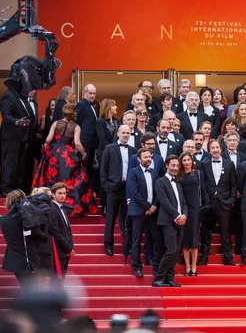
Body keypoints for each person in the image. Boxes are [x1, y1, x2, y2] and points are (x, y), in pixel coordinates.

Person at [33, 103, 96, 216]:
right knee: (68, 178)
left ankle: (49, 202)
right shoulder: (76, 127)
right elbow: (77, 143)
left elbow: (48, 140)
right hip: (67, 154)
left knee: (51, 178)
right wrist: (84, 153)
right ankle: (70, 205)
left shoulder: (56, 123)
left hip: (53, 152)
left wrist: (46, 150)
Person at [100, 125, 136, 256]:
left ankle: (128, 245)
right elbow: (103, 167)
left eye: (128, 133)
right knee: (110, 218)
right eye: (123, 132)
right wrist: (106, 185)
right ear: (118, 134)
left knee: (128, 218)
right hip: (113, 188)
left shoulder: (133, 150)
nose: (126, 135)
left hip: (128, 188)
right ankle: (108, 245)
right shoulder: (109, 148)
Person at [0, 190, 49, 288]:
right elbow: (43, 237)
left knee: (27, 290)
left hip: (15, 262)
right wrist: (44, 221)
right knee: (33, 291)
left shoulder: (3, 220)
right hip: (30, 262)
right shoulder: (27, 220)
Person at [200, 140, 237, 265]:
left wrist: (231, 199)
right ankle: (203, 258)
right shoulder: (203, 164)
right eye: (212, 148)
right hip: (209, 203)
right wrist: (205, 201)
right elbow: (202, 185)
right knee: (206, 232)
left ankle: (228, 258)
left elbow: (233, 184)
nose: (215, 150)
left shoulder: (229, 164)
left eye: (217, 147)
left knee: (225, 233)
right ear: (209, 151)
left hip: (224, 203)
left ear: (221, 149)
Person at [153, 154, 187, 288]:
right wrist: (177, 215)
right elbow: (165, 202)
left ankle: (169, 278)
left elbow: (183, 203)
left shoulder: (178, 185)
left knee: (176, 250)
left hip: (180, 221)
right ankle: (157, 278)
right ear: (167, 165)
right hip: (168, 221)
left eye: (177, 166)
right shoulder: (160, 182)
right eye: (172, 165)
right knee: (171, 250)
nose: (175, 168)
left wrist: (184, 215)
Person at [126, 148, 159, 278]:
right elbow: (134, 193)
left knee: (155, 237)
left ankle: (154, 264)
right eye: (145, 157)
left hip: (152, 212)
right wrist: (148, 206)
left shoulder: (155, 172)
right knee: (136, 240)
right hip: (138, 211)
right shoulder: (133, 172)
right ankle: (137, 267)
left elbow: (157, 191)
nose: (148, 159)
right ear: (139, 159)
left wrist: (154, 206)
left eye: (150, 157)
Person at [178, 152, 207, 273]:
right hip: (183, 209)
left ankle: (194, 266)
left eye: (188, 160)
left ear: (192, 161)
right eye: (184, 160)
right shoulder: (178, 176)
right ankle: (187, 266)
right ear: (181, 162)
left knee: (194, 238)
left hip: (195, 209)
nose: (187, 162)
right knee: (185, 238)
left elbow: (203, 191)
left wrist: (207, 205)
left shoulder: (199, 174)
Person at [0, 86, 32, 194]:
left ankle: (16, 189)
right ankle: (6, 190)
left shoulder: (20, 97)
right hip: (11, 137)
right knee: (10, 164)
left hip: (21, 138)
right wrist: (17, 122)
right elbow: (6, 115)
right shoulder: (9, 96)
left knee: (19, 165)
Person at [49, 182, 75, 284]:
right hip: (58, 252)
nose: (63, 196)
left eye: (64, 193)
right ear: (53, 194)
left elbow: (68, 231)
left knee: (60, 281)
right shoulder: (52, 209)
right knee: (56, 281)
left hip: (64, 252)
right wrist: (68, 248)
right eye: (59, 193)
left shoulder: (62, 209)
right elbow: (56, 231)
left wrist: (71, 246)